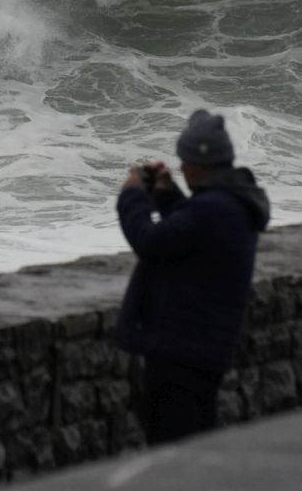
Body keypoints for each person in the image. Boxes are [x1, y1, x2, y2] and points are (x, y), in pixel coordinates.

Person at [112, 109, 271, 445]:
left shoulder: (213, 209)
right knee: (196, 446)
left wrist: (131, 196)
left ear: (200, 164)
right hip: (203, 348)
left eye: (185, 161)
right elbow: (188, 237)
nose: (181, 168)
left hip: (181, 353)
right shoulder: (230, 202)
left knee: (174, 451)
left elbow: (152, 242)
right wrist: (167, 194)